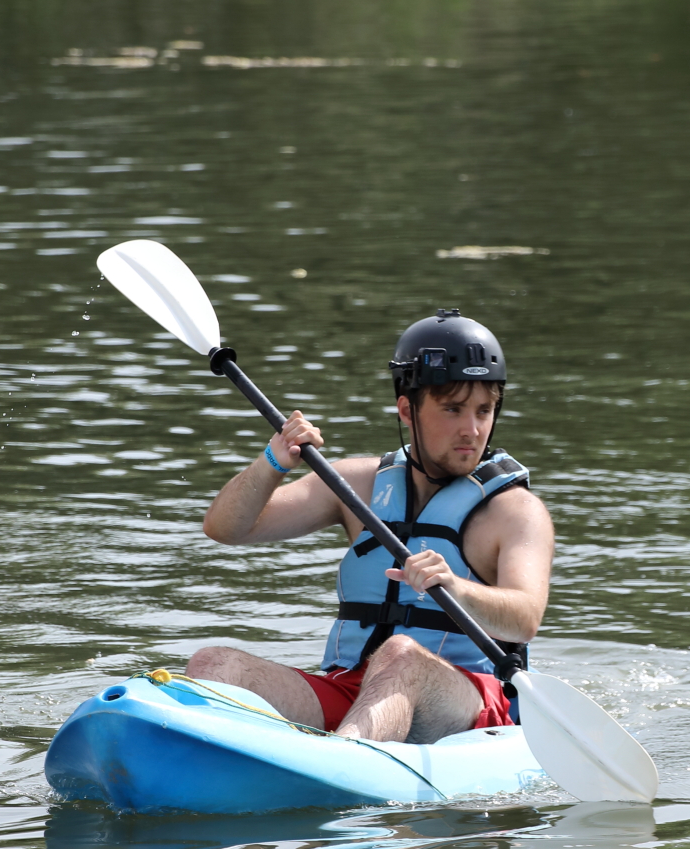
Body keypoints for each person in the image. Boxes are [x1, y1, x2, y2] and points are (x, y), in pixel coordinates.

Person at [187, 310, 554, 743]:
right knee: (212, 664)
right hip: (354, 688)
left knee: (400, 655)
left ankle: (340, 764)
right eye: (452, 409)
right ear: (407, 409)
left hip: (468, 703)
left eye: (484, 410)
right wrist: (274, 461)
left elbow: (525, 620)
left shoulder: (515, 511)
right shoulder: (356, 485)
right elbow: (226, 528)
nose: (471, 429)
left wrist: (455, 586)